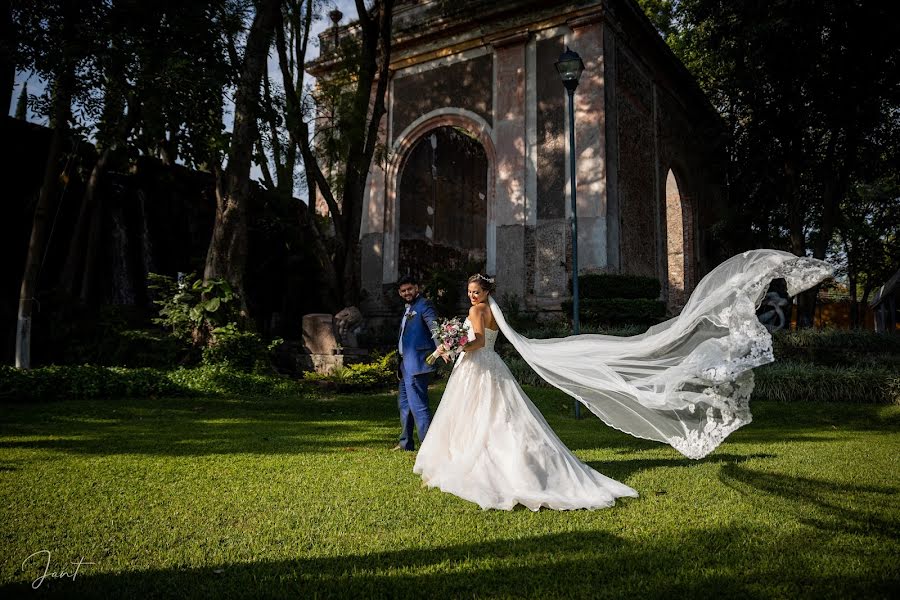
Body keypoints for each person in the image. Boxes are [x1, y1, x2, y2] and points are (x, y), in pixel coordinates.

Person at [414, 250, 833, 511]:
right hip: (490, 368)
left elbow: (474, 344)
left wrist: (451, 346)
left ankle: (484, 467)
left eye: (476, 291)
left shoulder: (474, 315)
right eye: (469, 293)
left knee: (489, 420)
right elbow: (493, 340)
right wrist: (462, 343)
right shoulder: (493, 311)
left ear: (483, 292)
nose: (473, 296)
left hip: (478, 368)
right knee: (492, 419)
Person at [394, 274, 439, 451]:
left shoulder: (424, 305)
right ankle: (405, 443)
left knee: (418, 406)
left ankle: (427, 448)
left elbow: (434, 326)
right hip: (405, 364)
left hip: (418, 363)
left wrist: (441, 348)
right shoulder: (407, 309)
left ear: (417, 288)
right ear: (400, 293)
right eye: (403, 290)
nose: (407, 293)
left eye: (410, 289)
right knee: (404, 405)